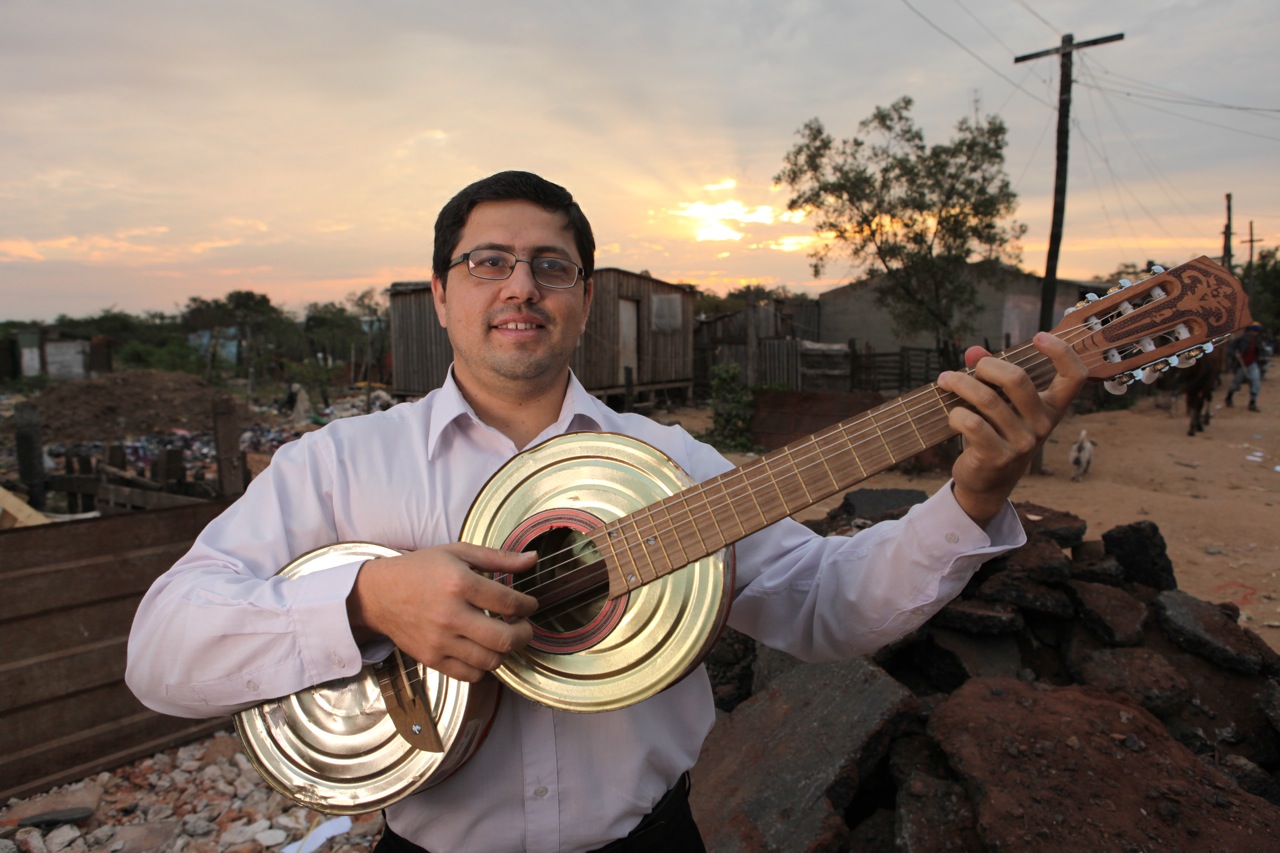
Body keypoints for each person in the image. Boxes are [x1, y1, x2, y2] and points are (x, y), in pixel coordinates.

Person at [126, 171, 1086, 853]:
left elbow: (828, 606)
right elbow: (162, 649)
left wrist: (973, 492)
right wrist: (368, 600)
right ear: (441, 293)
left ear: (584, 299)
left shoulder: (671, 465)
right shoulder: (338, 464)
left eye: (551, 266)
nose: (521, 285)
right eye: (489, 262)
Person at [1225, 323, 1264, 412]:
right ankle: (1229, 397)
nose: (1255, 333)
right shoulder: (1241, 339)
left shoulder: (1258, 339)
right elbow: (1230, 348)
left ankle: (1252, 403)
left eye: (1257, 331)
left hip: (1252, 364)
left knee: (1255, 382)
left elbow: (1261, 350)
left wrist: (1261, 356)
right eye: (1254, 331)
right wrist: (1235, 354)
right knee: (1236, 383)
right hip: (1241, 365)